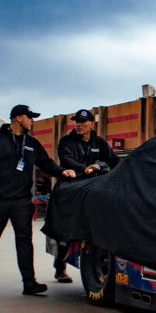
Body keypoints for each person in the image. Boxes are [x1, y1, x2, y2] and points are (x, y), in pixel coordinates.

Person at [0, 105, 76, 295]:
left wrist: (62, 172)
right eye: (30, 117)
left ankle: (29, 283)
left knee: (25, 241)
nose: (32, 120)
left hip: (22, 201)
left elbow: (45, 163)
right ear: (19, 118)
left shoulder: (32, 143)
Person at [51, 108, 119, 282]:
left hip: (92, 186)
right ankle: (60, 268)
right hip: (71, 186)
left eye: (82, 122)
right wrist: (84, 169)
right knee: (66, 231)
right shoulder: (66, 141)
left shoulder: (99, 142)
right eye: (77, 122)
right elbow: (66, 159)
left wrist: (107, 167)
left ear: (91, 123)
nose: (79, 125)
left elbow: (114, 160)